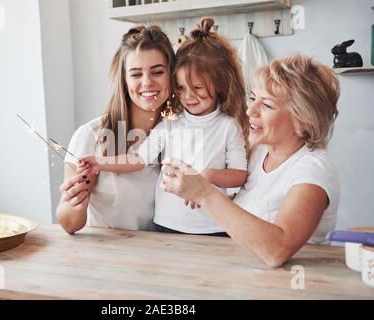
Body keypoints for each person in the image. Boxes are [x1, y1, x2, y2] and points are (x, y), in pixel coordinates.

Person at [160, 53, 340, 267]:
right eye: (253, 98)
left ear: (303, 121)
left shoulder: (314, 168)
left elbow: (277, 250)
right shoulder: (260, 152)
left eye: (267, 105)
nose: (250, 110)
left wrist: (203, 193)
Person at [78, 17, 248, 236]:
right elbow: (139, 159)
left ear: (219, 84)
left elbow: (239, 175)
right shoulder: (170, 123)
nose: (189, 96)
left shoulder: (228, 126)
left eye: (198, 87)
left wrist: (206, 177)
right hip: (166, 225)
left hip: (213, 227)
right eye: (181, 87)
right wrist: (100, 163)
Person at [56, 25, 176, 234]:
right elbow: (69, 224)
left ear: (172, 75)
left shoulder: (178, 132)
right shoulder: (91, 135)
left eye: (157, 72)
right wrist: (72, 201)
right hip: (112, 257)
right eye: (136, 74)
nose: (147, 82)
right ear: (124, 80)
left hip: (165, 253)